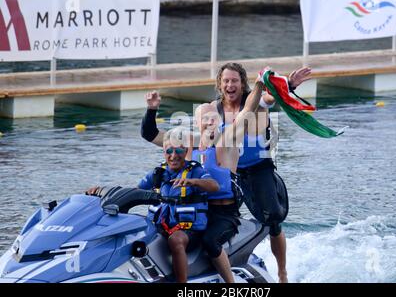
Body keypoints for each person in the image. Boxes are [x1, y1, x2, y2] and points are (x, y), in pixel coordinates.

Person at [141, 80, 264, 283]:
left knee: (209, 241)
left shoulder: (227, 141)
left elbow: (247, 112)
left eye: (213, 117)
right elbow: (150, 134)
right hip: (197, 211)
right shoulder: (188, 145)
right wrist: (152, 109)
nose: (209, 121)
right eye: (204, 118)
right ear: (197, 123)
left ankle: (230, 285)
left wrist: (259, 84)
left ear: (219, 120)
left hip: (224, 213)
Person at [211, 63, 312, 283]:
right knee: (218, 222)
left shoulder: (255, 101)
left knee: (273, 222)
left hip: (259, 168)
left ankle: (282, 272)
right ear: (220, 84)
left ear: (242, 83)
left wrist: (289, 85)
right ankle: (228, 265)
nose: (230, 85)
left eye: (234, 80)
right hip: (232, 174)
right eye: (226, 81)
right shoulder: (213, 110)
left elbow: (270, 98)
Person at [87, 129, 219, 283]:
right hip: (161, 226)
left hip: (189, 230)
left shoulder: (195, 171)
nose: (173, 155)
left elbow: (214, 186)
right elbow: (134, 191)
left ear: (187, 150)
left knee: (176, 240)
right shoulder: (158, 173)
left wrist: (193, 182)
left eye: (179, 150)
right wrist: (102, 191)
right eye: (169, 150)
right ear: (164, 151)